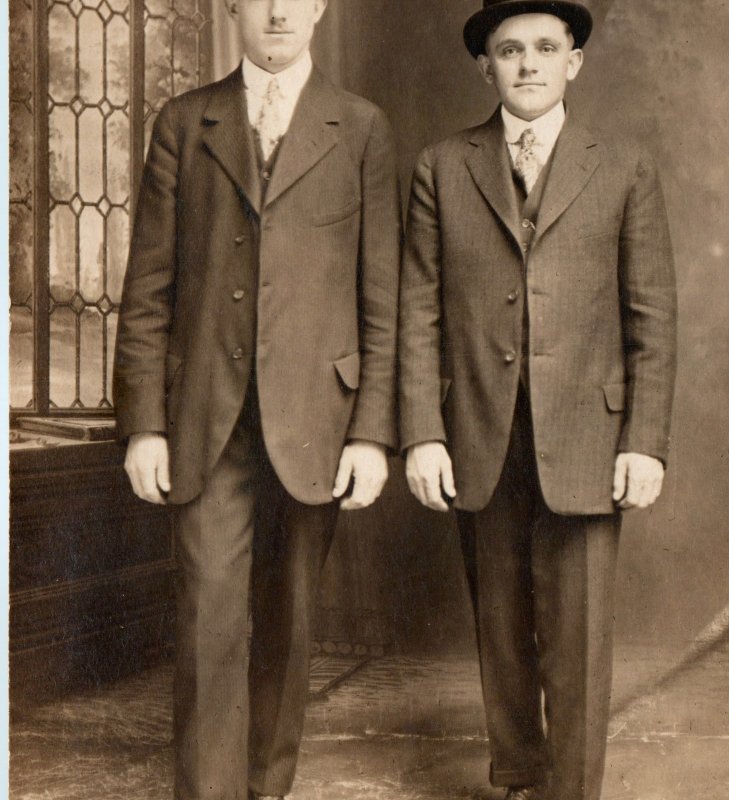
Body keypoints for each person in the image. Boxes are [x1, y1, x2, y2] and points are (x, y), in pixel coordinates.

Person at [113, 0, 401, 796]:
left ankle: (265, 789)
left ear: (319, 9)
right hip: (206, 416)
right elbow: (147, 292)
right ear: (233, 10)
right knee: (207, 620)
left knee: (289, 620)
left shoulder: (362, 127)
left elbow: (383, 294)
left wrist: (373, 433)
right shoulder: (184, 121)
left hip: (319, 419)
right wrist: (143, 425)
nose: (277, 10)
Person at [398, 2, 677, 799]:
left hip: (590, 433)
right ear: (485, 66)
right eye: (509, 50)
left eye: (545, 49)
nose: (527, 65)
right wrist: (422, 433)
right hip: (480, 431)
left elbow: (652, 315)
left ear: (574, 63)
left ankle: (573, 790)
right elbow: (418, 308)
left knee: (579, 637)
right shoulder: (443, 167)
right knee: (503, 627)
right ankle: (519, 777)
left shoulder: (622, 165)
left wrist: (644, 439)